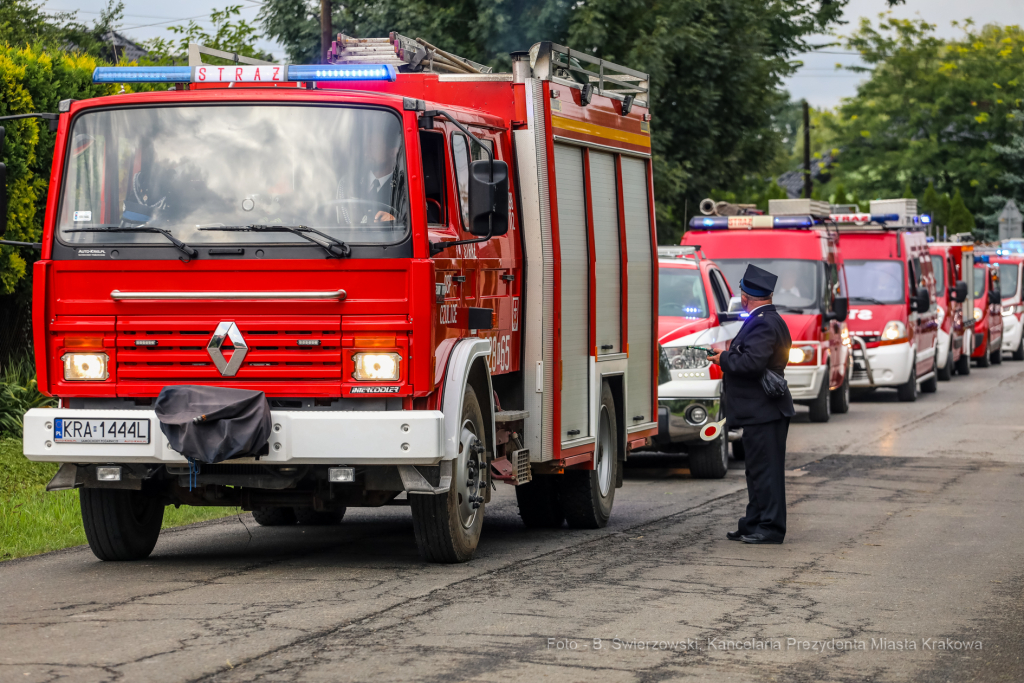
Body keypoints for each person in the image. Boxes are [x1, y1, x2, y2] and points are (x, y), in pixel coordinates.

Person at [707, 264, 795, 544]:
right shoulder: (768, 319)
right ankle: (754, 522)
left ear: (745, 297)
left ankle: (770, 528)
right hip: (761, 410)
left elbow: (751, 363)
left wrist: (724, 358)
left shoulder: (763, 322)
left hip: (765, 410)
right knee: (757, 470)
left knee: (766, 471)